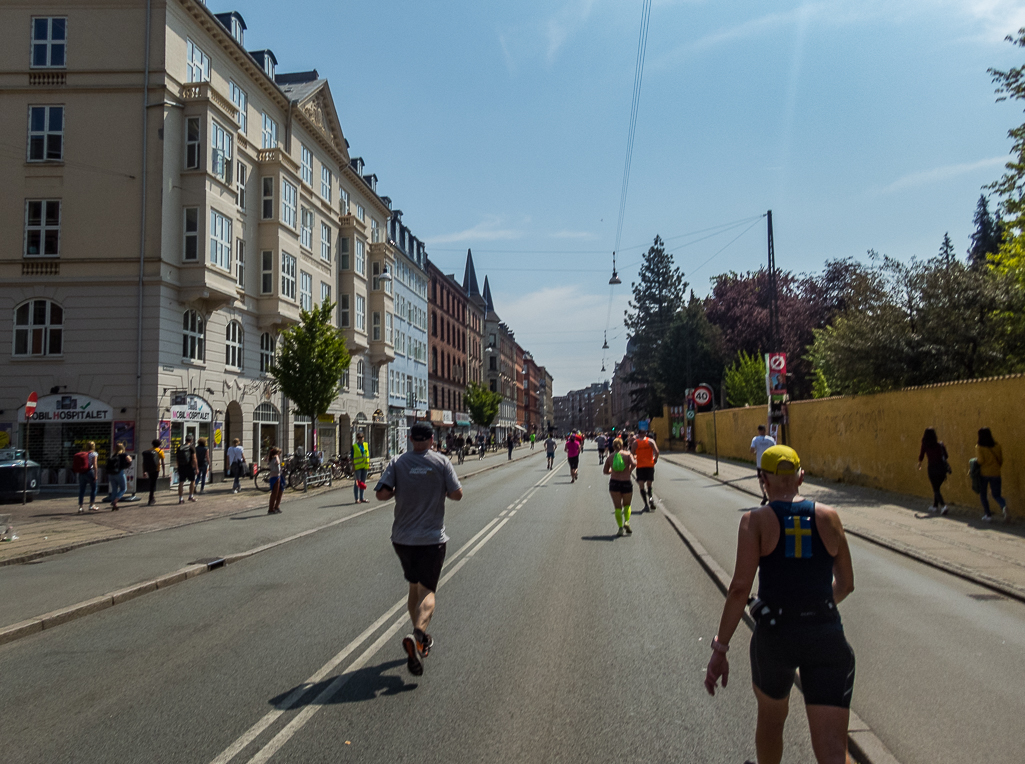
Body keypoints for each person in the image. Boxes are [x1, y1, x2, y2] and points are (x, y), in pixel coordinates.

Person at [705, 445, 856, 764]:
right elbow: (846, 585)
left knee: (772, 723)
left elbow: (739, 589)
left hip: (776, 636)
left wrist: (720, 649)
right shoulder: (829, 517)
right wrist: (816, 605)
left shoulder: (755, 521)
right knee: (831, 746)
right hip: (826, 634)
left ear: (763, 479)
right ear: (801, 476)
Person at [375, 421, 463, 677]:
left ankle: (418, 640)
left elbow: (381, 494)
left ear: (411, 438)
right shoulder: (441, 462)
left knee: (414, 586)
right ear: (432, 440)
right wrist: (439, 488)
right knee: (428, 591)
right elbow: (457, 494)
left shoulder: (398, 462)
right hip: (431, 539)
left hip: (402, 539)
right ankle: (418, 634)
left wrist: (400, 488)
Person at [603, 438, 637, 537]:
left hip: (614, 483)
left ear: (613, 446)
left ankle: (620, 528)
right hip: (626, 482)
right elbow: (634, 463)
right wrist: (629, 470)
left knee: (618, 507)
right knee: (627, 505)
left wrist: (612, 471)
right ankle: (627, 521)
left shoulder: (610, 457)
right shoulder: (627, 455)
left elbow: (605, 471)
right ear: (622, 445)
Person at [976, 427, 1009, 523]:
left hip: (984, 474)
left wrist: (976, 463)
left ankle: (988, 514)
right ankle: (1003, 506)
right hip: (996, 473)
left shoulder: (979, 447)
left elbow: (981, 461)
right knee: (996, 494)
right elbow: (1001, 460)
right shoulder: (997, 446)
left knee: (983, 494)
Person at [917, 428, 950, 515]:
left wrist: (919, 464)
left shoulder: (925, 444)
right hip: (942, 469)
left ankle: (943, 506)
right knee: (937, 488)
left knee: (935, 489)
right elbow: (946, 456)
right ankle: (935, 506)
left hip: (932, 469)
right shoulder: (940, 445)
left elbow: (921, 454)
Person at [631, 431, 660, 511]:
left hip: (640, 466)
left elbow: (632, 454)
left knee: (641, 486)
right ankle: (650, 497)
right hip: (650, 465)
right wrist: (655, 460)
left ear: (638, 434)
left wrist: (634, 460)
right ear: (645, 434)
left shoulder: (635, 443)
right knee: (649, 484)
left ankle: (646, 505)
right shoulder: (650, 441)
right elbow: (657, 452)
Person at [750, 424, 777, 505]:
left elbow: (751, 450)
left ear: (759, 431)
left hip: (760, 463)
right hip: (769, 463)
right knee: (770, 480)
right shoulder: (770, 439)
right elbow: (775, 449)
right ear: (765, 430)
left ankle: (764, 495)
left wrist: (756, 452)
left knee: (761, 481)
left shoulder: (755, 439)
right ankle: (771, 496)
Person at [107, 442, 132, 511]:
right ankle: (115, 500)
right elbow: (129, 460)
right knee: (123, 489)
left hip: (111, 474)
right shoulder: (124, 454)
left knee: (114, 489)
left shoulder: (113, 455)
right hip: (119, 473)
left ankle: (114, 505)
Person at [76, 440, 99, 513]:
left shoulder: (83, 453)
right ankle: (91, 505)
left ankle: (80, 507)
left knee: (82, 490)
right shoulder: (94, 454)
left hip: (82, 473)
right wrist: (95, 475)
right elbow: (94, 465)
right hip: (90, 472)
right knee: (94, 488)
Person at [176, 435, 198, 504]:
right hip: (189, 467)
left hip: (181, 467)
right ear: (191, 440)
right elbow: (194, 458)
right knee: (192, 481)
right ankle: (191, 496)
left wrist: (178, 466)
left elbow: (177, 459)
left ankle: (180, 498)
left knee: (181, 482)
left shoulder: (180, 447)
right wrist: (196, 468)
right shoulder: (191, 448)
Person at [142, 439, 162, 506]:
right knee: (153, 483)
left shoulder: (148, 451)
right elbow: (162, 462)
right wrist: (164, 472)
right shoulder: (160, 451)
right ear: (159, 445)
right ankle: (151, 498)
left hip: (149, 469)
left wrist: (144, 471)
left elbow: (144, 462)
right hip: (156, 469)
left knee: (151, 482)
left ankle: (152, 497)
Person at [352, 431, 370, 504]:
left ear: (363, 438)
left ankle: (362, 497)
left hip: (365, 466)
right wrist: (353, 467)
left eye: (362, 437)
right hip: (358, 467)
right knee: (357, 482)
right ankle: (357, 498)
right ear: (357, 438)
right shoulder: (354, 446)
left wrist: (369, 465)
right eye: (359, 438)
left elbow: (368, 455)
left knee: (362, 482)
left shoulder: (366, 445)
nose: (360, 439)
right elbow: (352, 458)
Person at [267, 446, 284, 514]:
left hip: (278, 476)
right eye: (279, 453)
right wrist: (276, 457)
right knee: (274, 493)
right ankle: (271, 508)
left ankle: (277, 506)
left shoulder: (273, 458)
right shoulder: (274, 459)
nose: (279, 455)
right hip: (274, 477)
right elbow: (278, 463)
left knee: (280, 491)